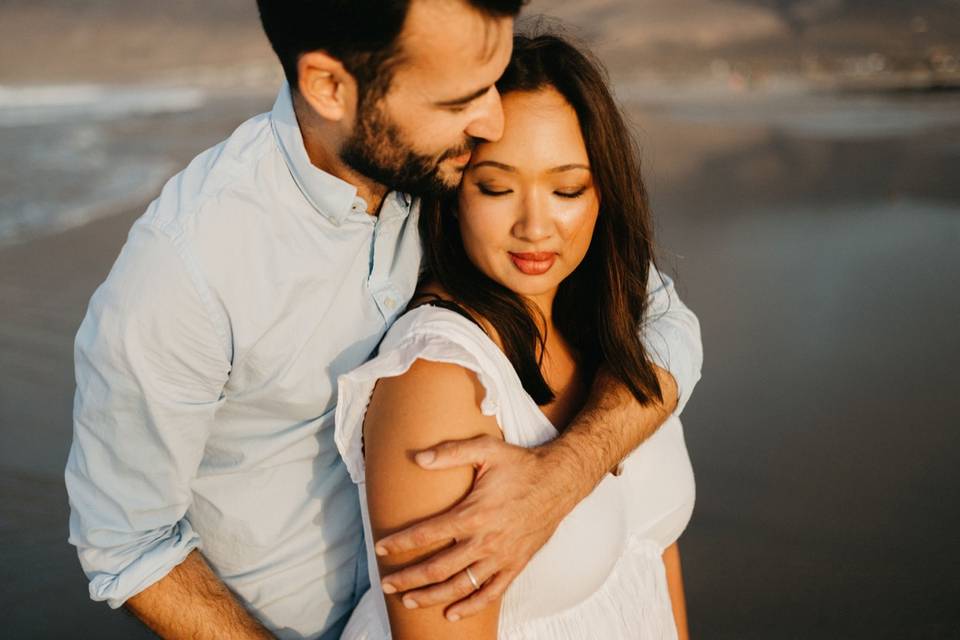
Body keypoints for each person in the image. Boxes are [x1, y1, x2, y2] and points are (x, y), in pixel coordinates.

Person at [64, 2, 701, 639]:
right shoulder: (187, 271)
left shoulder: (442, 171)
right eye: (457, 100)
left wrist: (562, 475)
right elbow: (128, 545)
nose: (489, 117)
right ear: (330, 87)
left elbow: (667, 325)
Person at [335, 32, 695, 639]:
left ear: (605, 193)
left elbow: (654, 560)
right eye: (497, 188)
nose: (535, 226)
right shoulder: (440, 381)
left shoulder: (617, 328)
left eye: (567, 189)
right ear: (452, 198)